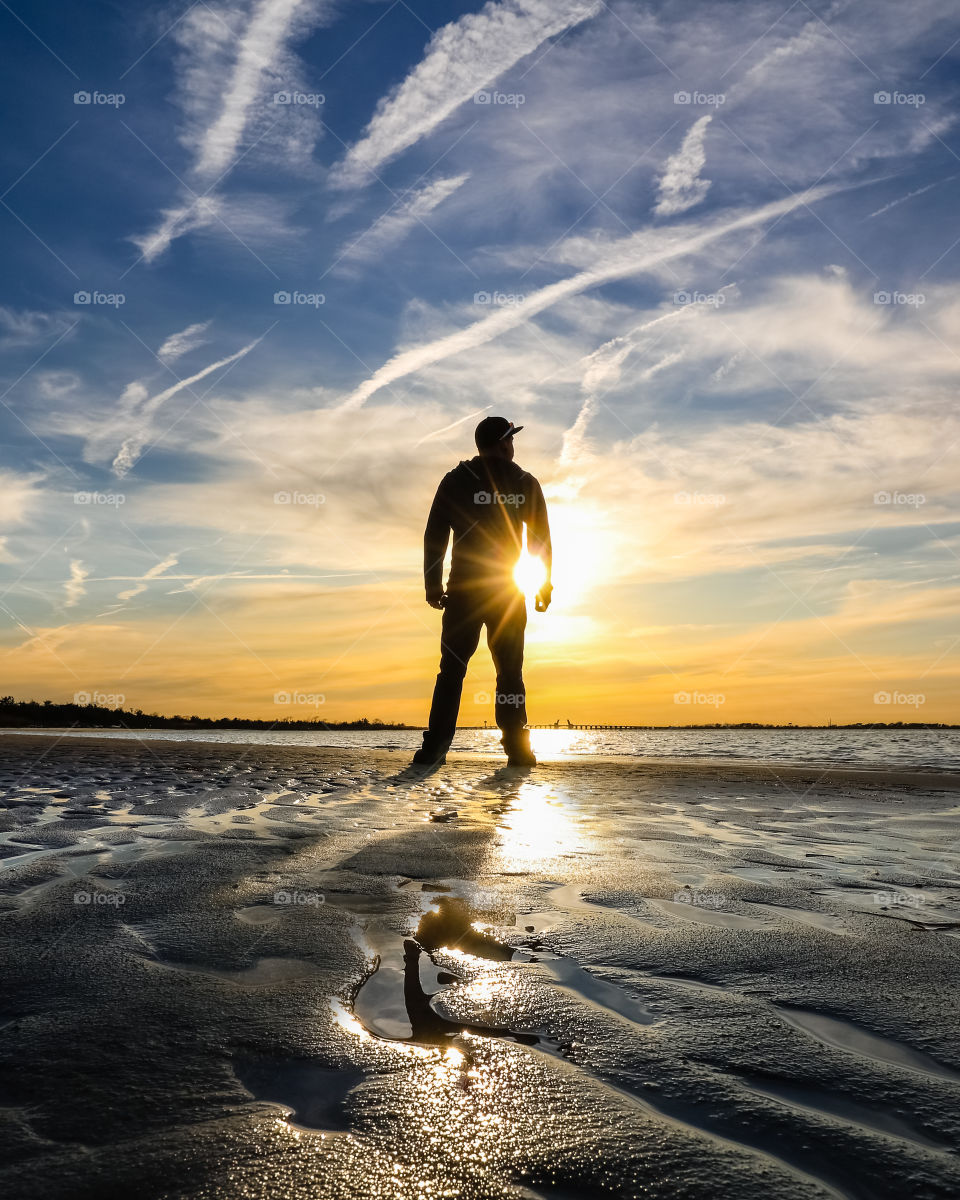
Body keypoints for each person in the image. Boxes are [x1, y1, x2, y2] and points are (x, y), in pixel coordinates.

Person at [413, 416, 552, 767]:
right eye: (511, 439)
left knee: (452, 672)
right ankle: (517, 748)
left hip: (463, 592)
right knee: (509, 672)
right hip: (505, 592)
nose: (513, 446)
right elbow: (540, 540)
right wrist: (544, 584)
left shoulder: (456, 480)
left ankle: (435, 748)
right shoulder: (523, 482)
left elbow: (434, 536)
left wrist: (433, 585)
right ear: (505, 442)